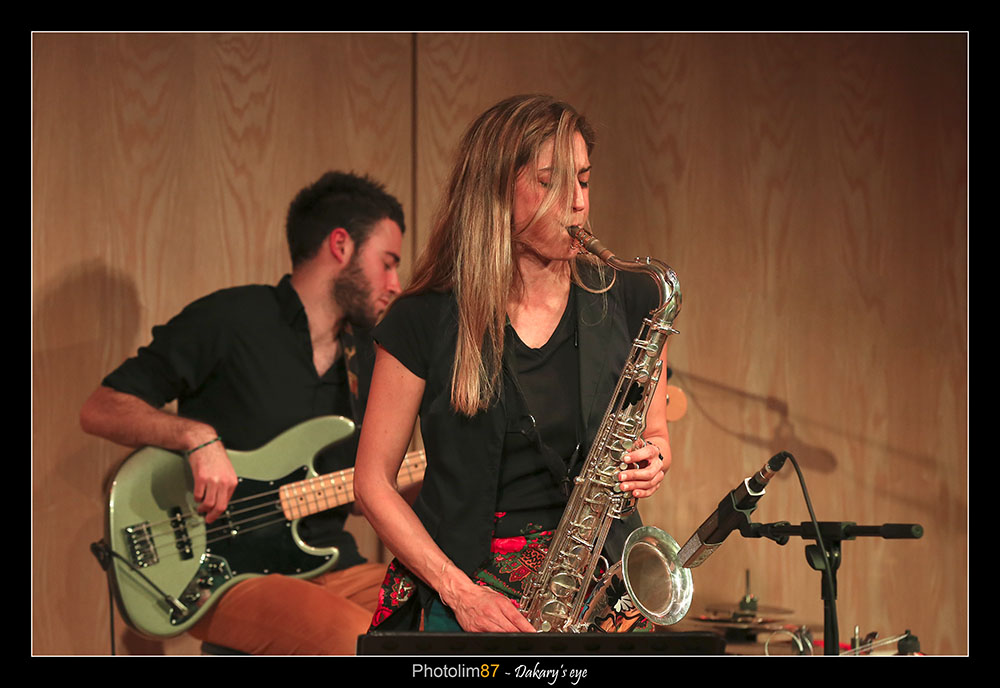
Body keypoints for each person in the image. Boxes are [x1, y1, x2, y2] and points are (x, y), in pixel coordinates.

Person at [354, 95, 672, 633]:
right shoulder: (422, 317)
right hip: (469, 596)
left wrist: (655, 457)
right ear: (496, 189)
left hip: (599, 593)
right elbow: (372, 484)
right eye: (551, 182)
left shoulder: (635, 298)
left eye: (584, 180)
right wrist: (460, 593)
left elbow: (657, 434)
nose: (578, 203)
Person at [80, 171, 408, 654]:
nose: (396, 284)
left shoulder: (371, 357)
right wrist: (195, 436)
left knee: (447, 623)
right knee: (356, 642)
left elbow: (363, 496)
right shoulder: (229, 319)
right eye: (388, 263)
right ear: (341, 246)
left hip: (331, 564)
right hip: (224, 575)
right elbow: (101, 408)